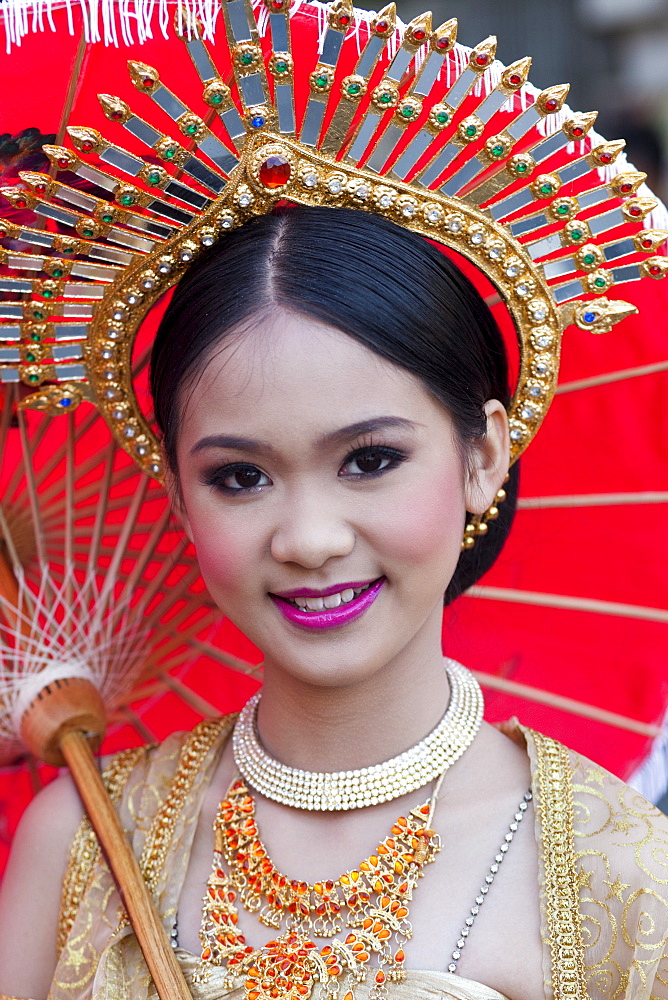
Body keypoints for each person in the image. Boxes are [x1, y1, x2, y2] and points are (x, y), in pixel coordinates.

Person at [0, 2, 667, 999]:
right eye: (238, 476)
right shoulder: (83, 839)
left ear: (483, 452)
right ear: (177, 493)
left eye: (367, 460)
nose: (308, 538)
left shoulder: (615, 874)